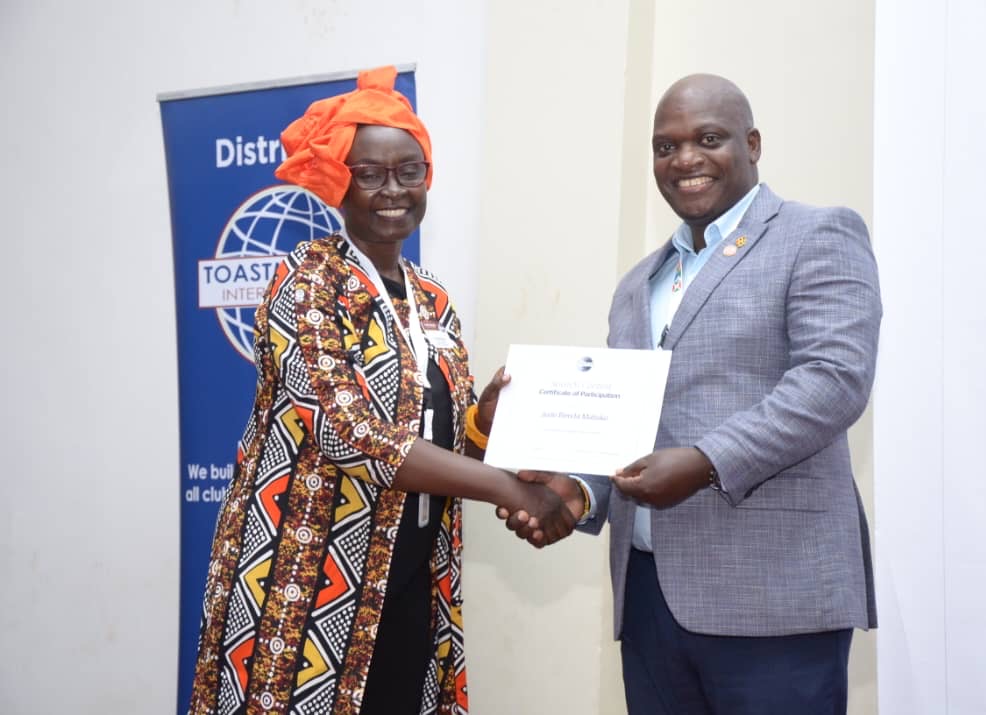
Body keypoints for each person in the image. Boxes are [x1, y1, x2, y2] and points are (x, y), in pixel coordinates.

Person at [187, 66, 575, 715]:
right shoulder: (306, 282)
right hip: (303, 590)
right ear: (339, 181)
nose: (393, 189)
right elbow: (352, 434)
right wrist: (514, 491)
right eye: (370, 173)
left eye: (409, 170)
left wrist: (483, 422)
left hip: (413, 583)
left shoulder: (432, 299)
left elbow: (443, 444)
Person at [503, 73, 882, 713]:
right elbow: (625, 423)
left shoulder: (816, 234)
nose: (684, 159)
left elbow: (833, 380)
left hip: (774, 598)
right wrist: (579, 492)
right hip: (650, 602)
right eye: (665, 146)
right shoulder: (637, 283)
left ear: (752, 144)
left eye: (708, 139)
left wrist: (706, 461)